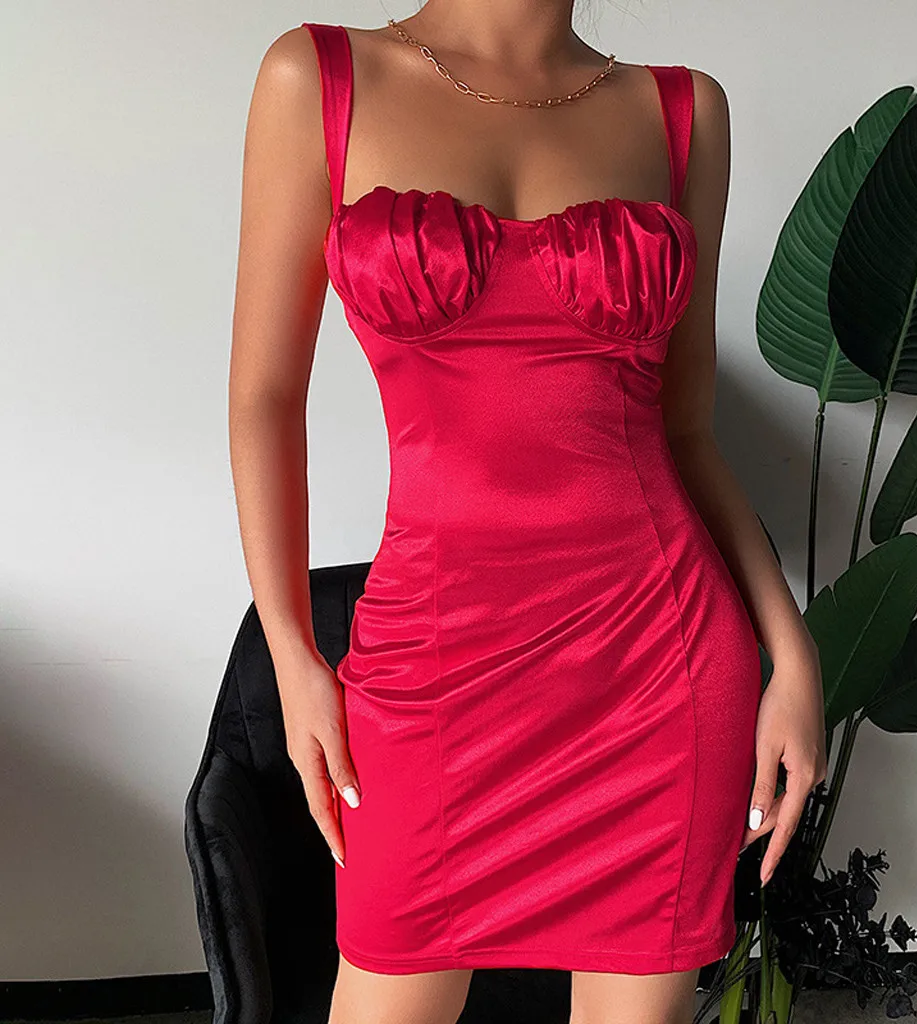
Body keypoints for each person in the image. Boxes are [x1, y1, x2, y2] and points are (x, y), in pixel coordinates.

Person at [228, 3, 827, 1022]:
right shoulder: (317, 78)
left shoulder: (683, 111)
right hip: (429, 673)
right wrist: (293, 657)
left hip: (658, 670)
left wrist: (793, 653)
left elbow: (687, 432)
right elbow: (264, 402)